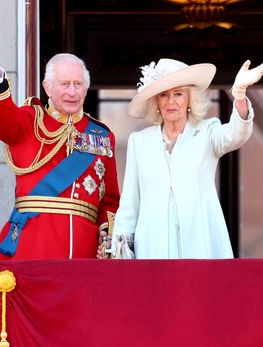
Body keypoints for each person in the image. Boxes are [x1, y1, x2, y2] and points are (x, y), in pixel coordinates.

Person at [0, 27, 120, 259]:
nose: (72, 91)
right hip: (32, 247)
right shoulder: (30, 121)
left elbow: (110, 200)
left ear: (86, 89)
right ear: (47, 87)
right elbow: (1, 117)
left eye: (78, 84)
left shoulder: (101, 136)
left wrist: (106, 240)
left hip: (83, 251)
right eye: (64, 84)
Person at [100, 58, 263, 259]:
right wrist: (119, 252)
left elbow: (235, 134)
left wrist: (238, 95)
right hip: (152, 250)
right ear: (156, 102)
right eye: (164, 95)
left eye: (178, 94)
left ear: (189, 99)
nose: (171, 101)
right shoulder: (139, 142)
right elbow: (130, 204)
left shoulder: (207, 132)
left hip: (200, 248)